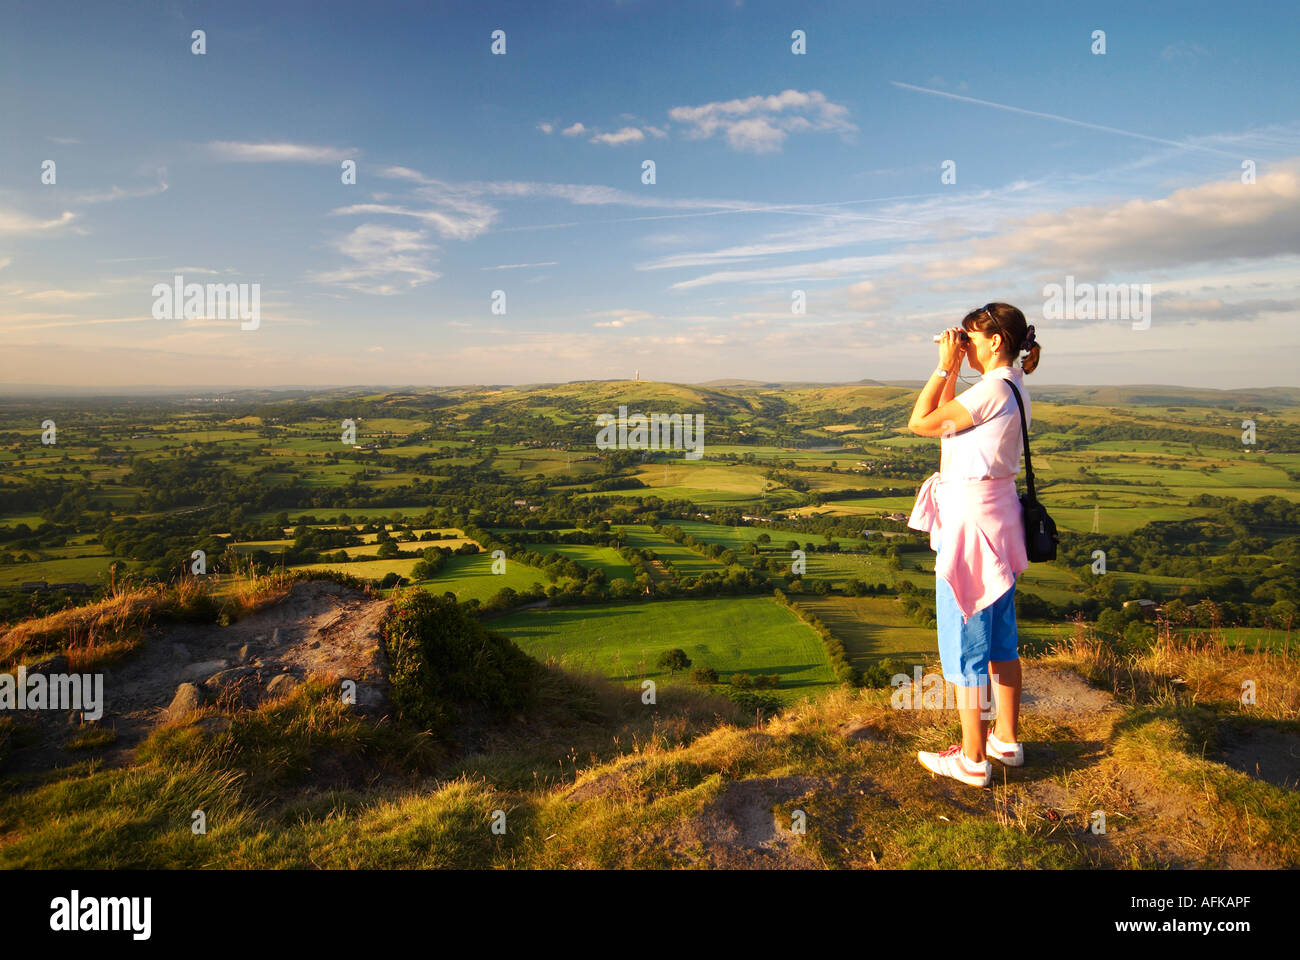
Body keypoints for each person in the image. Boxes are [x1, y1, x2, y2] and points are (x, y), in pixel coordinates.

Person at [904, 302, 1042, 787]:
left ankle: (972, 759)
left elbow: (920, 422)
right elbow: (944, 423)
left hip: (971, 530)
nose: (965, 343)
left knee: (965, 646)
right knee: (1001, 640)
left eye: (971, 337)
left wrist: (945, 365)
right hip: (999, 522)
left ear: (996, 341)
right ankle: (1006, 740)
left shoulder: (988, 390)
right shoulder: (1013, 385)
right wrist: (960, 362)